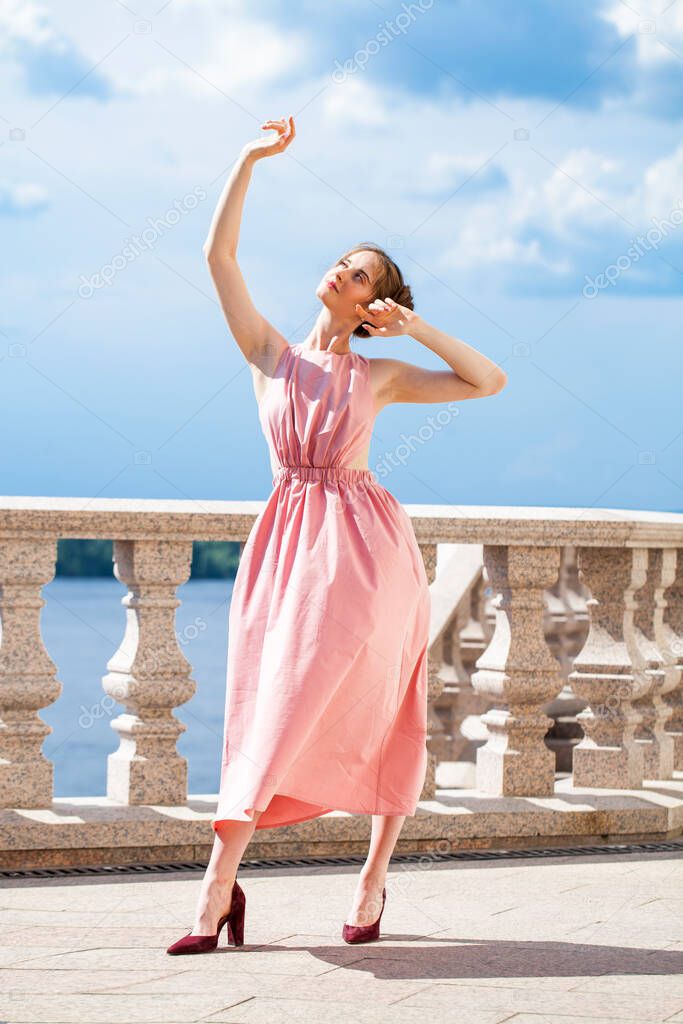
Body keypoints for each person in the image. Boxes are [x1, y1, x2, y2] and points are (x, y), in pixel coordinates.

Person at [167, 115, 507, 955]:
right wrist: (246, 157)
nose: (340, 272)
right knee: (267, 705)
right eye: (342, 262)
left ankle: (367, 878)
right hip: (286, 544)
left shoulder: (379, 374)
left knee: (389, 701)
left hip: (365, 553)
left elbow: (487, 381)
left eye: (358, 274)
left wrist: (414, 328)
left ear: (369, 303)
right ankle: (221, 886)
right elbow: (218, 260)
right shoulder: (272, 357)